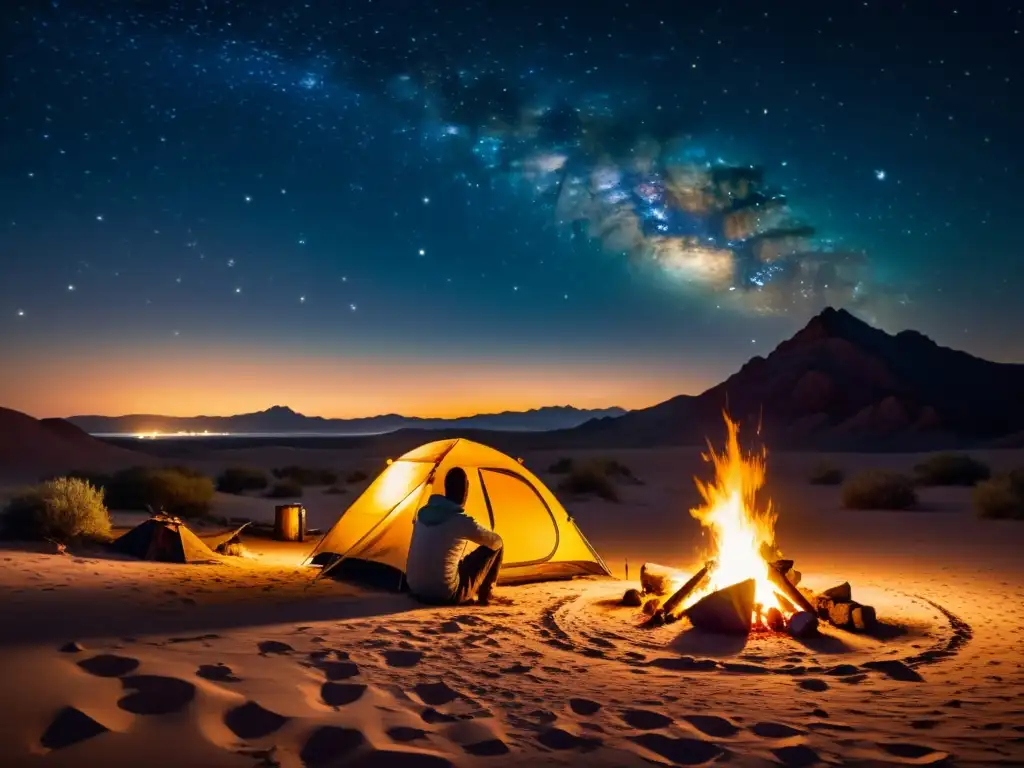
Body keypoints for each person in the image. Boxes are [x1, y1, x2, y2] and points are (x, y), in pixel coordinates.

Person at [405, 467, 504, 605]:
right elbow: (496, 542)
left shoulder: (422, 514)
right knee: (498, 545)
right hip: (445, 594)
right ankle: (485, 595)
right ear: (466, 491)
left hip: (416, 588)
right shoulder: (461, 521)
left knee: (460, 562)